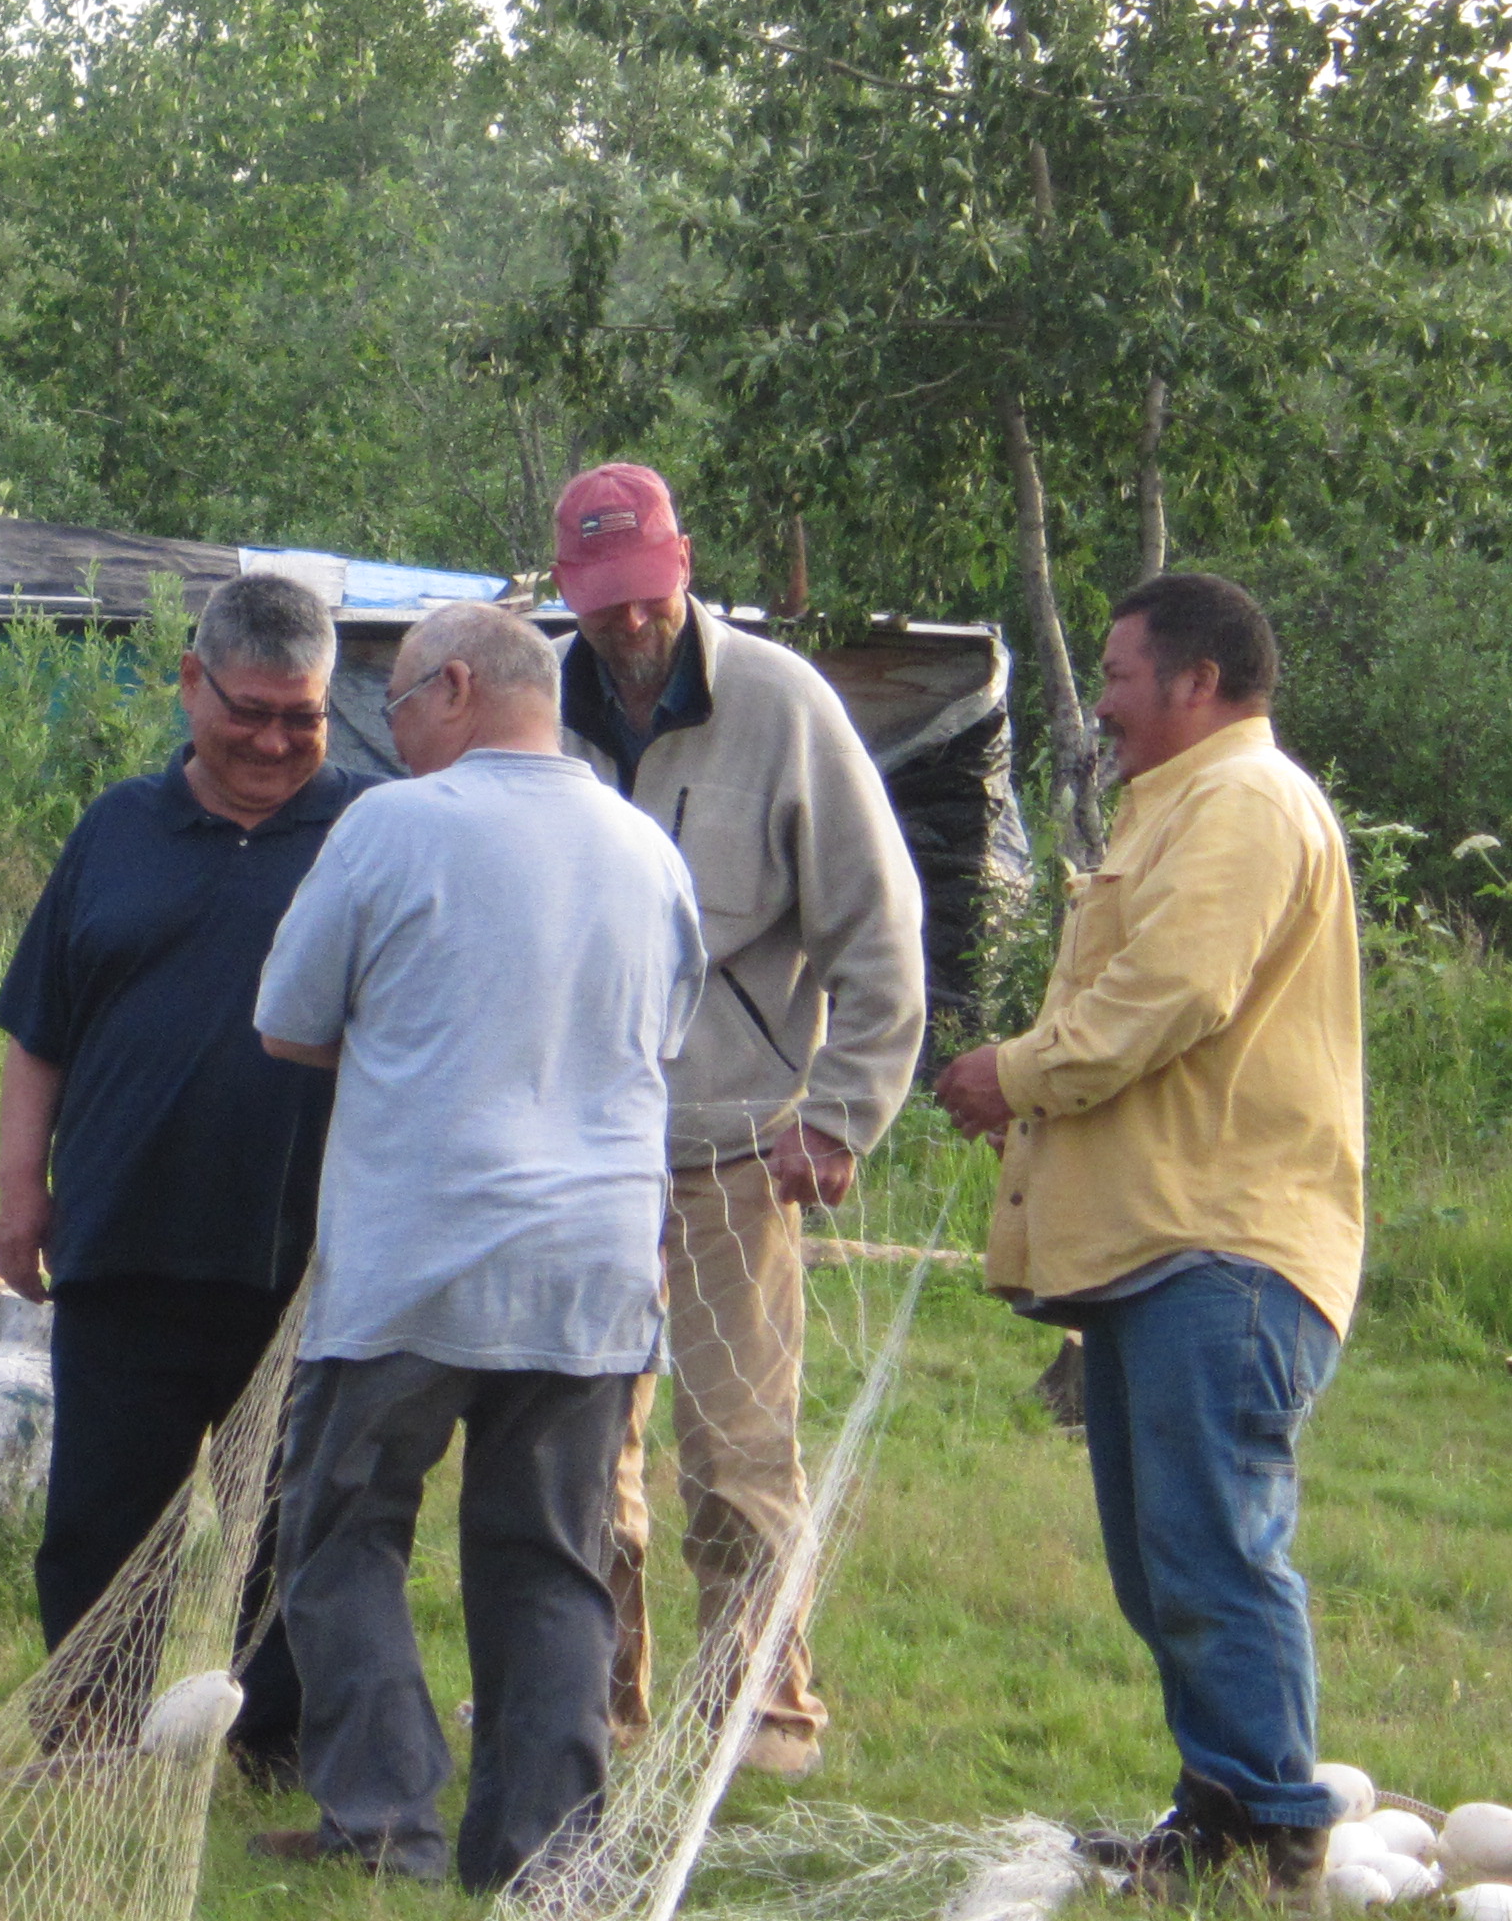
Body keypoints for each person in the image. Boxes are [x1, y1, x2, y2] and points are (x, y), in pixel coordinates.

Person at [246, 601, 706, 1891]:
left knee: (338, 1537)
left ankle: (385, 1822)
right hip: (593, 1272)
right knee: (552, 1561)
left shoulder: (390, 825)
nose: (388, 740)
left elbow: (286, 1021)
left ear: (455, 688)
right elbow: (659, 1038)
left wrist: (410, 1033)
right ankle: (544, 1853)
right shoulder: (643, 846)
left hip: (414, 1262)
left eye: (392, 709)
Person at [933, 574, 1360, 1899]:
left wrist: (1021, 1071)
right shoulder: (1179, 806)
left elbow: (1172, 993)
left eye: (1118, 676)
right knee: (1163, 1552)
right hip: (1157, 1243)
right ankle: (1218, 1808)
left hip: (1222, 1248)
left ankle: (1273, 1831)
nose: (1102, 705)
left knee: (1209, 1547)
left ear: (1197, 682)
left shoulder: (1241, 804)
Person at [550, 462, 925, 1777]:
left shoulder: (781, 705)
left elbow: (881, 935)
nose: (629, 626)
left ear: (686, 565)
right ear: (566, 594)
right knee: (584, 1447)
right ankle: (596, 1703)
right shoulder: (534, 706)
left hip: (737, 1142)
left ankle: (760, 1715)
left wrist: (837, 1114)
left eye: (647, 595)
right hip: (582, 1148)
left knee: (737, 1452)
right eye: (602, 604)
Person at [0, 572, 382, 1779]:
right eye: (249, 708)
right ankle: (91, 1735)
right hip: (124, 1236)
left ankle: (283, 1741)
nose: (273, 739)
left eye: (302, 716)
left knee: (298, 1524)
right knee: (106, 1520)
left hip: (313, 1255)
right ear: (190, 681)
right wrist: (20, 1186)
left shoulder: (376, 830)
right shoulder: (115, 827)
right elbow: (38, 1025)